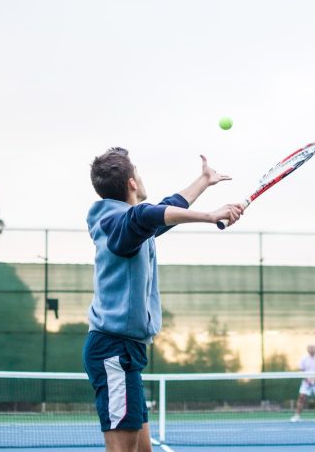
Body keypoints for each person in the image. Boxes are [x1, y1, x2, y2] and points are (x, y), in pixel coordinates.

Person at [83, 148, 243, 452]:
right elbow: (149, 213)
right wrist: (210, 216)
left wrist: (204, 181)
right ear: (132, 183)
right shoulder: (120, 225)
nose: (142, 179)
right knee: (122, 450)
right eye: (139, 174)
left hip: (126, 350)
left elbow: (165, 209)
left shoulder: (128, 225)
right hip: (114, 351)